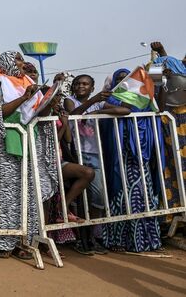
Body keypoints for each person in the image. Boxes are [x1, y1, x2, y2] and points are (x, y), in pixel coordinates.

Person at [64, 74, 130, 254]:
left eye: (85, 84)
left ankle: (94, 235)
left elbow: (125, 110)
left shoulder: (99, 104)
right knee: (80, 199)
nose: (80, 86)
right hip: (77, 152)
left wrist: (99, 111)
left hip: (95, 152)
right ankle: (80, 239)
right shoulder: (70, 100)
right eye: (77, 83)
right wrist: (92, 102)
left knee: (98, 197)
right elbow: (73, 115)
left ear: (92, 87)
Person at [0, 51, 48, 260]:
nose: (21, 63)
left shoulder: (27, 81)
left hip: (28, 142)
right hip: (7, 143)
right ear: (6, 62)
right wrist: (26, 97)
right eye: (16, 59)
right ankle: (3, 242)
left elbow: (38, 110)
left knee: (27, 195)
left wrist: (51, 96)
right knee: (6, 195)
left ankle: (25, 240)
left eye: (21, 59)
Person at [100, 68, 163, 253]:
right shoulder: (110, 99)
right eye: (119, 79)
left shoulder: (142, 99)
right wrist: (114, 107)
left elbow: (138, 110)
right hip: (120, 156)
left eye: (126, 78)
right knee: (120, 196)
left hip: (141, 156)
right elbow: (119, 110)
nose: (123, 82)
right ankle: (117, 239)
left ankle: (147, 239)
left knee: (144, 196)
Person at [151, 45, 186, 222]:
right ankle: (175, 215)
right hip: (171, 122)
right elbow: (156, 82)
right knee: (174, 170)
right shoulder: (168, 66)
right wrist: (163, 75)